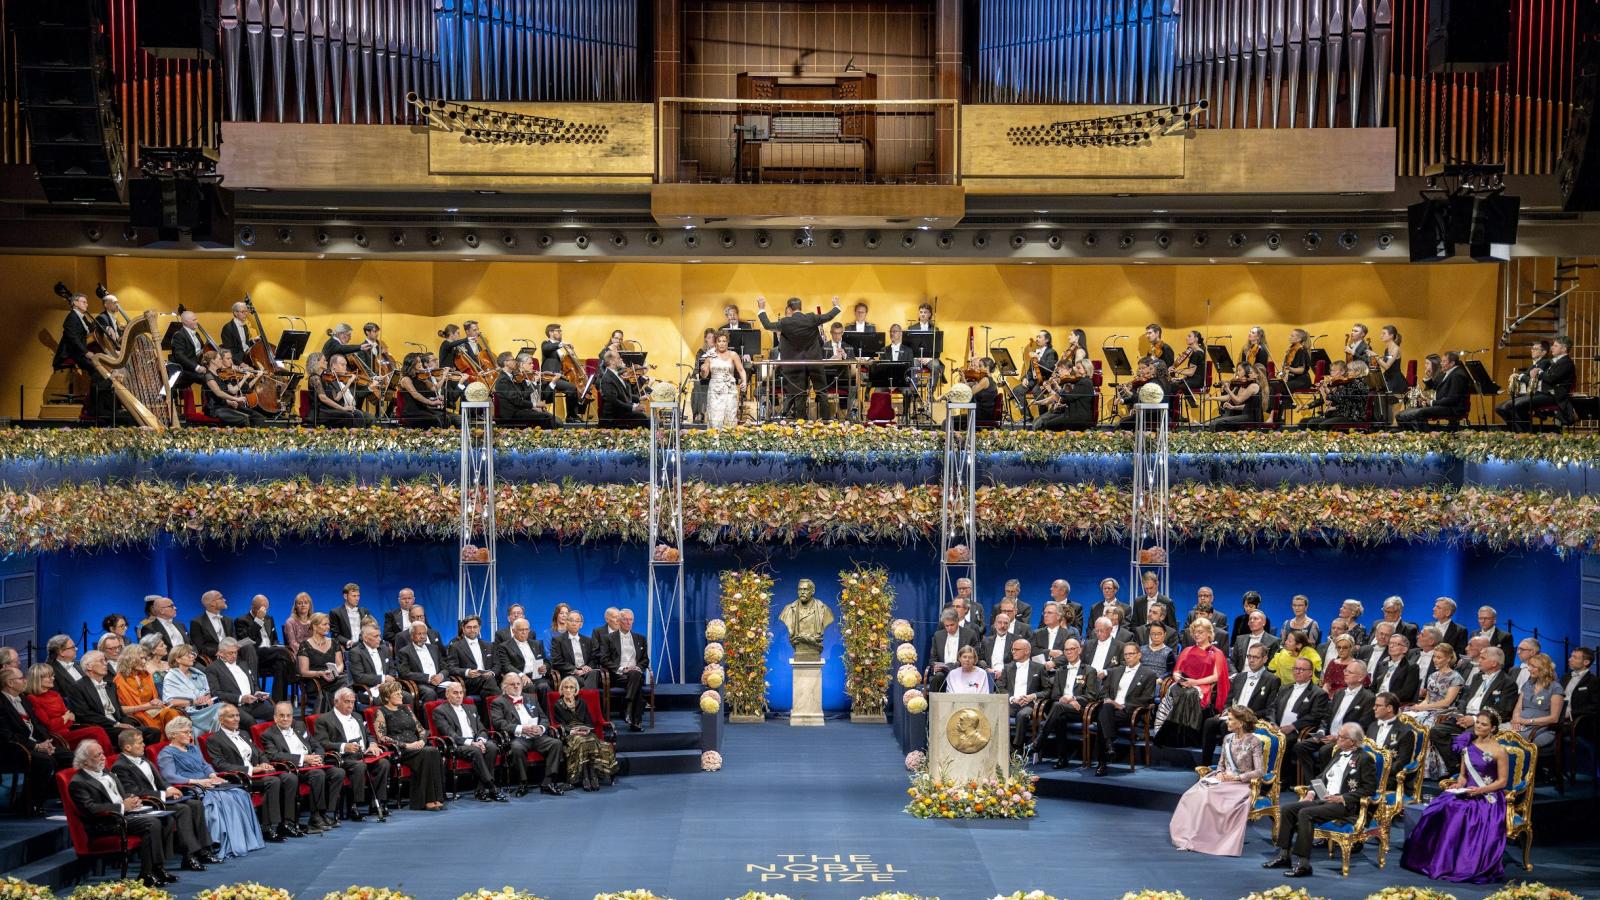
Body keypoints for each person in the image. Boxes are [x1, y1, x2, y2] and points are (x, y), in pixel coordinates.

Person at [1400, 709, 1511, 883]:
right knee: (1438, 807)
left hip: (1488, 796)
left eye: (1484, 724)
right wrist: (1459, 784)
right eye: (1478, 722)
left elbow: (1503, 782)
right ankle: (1435, 859)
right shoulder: (1467, 745)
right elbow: (1463, 775)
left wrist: (1480, 790)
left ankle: (1460, 864)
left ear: (1493, 728)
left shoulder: (1500, 751)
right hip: (1467, 790)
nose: (1479, 726)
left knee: (1461, 810)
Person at [1264, 723, 1377, 878]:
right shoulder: (1337, 753)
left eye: (1342, 737)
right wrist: (1310, 793)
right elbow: (1321, 777)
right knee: (1287, 809)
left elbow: (1369, 789)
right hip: (1324, 798)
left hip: (1344, 805)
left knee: (1305, 813)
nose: (1337, 738)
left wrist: (1342, 797)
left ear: (1352, 741)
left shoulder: (1364, 759)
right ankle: (1284, 856)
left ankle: (1304, 864)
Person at [72, 739, 178, 887]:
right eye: (97, 755)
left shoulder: (106, 772)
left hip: (126, 814)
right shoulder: (78, 782)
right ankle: (146, 873)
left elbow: (120, 793)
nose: (103, 757)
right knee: (152, 823)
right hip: (108, 822)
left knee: (166, 819)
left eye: (102, 753)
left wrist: (132, 800)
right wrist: (123, 807)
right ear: (85, 762)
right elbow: (91, 809)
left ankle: (158, 868)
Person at [110, 728, 218, 872]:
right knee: (183, 809)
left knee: (196, 804)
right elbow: (134, 792)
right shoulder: (120, 766)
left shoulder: (144, 759)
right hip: (149, 804)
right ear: (128, 747)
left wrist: (169, 789)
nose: (144, 745)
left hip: (161, 798)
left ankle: (203, 849)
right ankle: (189, 856)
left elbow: (161, 781)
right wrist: (162, 794)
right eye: (140, 743)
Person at [157, 715, 266, 853]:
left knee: (240, 793)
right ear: (173, 734)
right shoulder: (166, 753)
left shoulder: (193, 748)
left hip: (208, 783)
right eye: (185, 732)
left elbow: (205, 765)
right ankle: (218, 843)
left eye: (190, 732)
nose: (189, 735)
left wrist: (214, 776)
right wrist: (198, 782)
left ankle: (243, 839)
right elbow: (169, 776)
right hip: (192, 787)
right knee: (223, 799)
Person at [1170, 705, 1266, 856]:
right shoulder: (1227, 738)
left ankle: (1207, 840)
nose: (1226, 723)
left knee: (1208, 796)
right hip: (1222, 779)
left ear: (1241, 723)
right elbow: (1221, 763)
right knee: (1191, 795)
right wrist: (1220, 773)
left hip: (1240, 784)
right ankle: (1190, 836)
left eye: (1230, 720)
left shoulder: (1254, 741)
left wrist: (1236, 777)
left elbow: (1260, 771)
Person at [205, 704, 303, 841]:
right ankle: (269, 827)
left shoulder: (244, 734)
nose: (236, 719)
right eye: (231, 716)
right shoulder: (214, 739)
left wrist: (265, 763)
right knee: (273, 781)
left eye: (237, 715)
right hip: (242, 777)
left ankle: (288, 823)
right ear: (221, 719)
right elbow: (220, 765)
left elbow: (259, 752)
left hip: (259, 772)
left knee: (290, 778)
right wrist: (251, 769)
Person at [257, 701, 341, 832]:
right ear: (275, 717)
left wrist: (318, 758)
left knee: (337, 772)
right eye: (281, 715)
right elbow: (274, 756)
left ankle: (325, 812)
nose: (285, 719)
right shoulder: (268, 735)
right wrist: (304, 759)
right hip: (294, 768)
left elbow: (317, 745)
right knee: (318, 774)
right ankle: (315, 817)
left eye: (288, 715)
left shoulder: (300, 726)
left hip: (312, 764)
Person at [757, 294, 842, 419]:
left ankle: (800, 425)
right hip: (814, 362)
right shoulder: (811, 318)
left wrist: (762, 308)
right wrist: (836, 306)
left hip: (796, 365)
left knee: (800, 394)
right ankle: (827, 423)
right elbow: (829, 316)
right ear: (800, 307)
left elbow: (767, 325)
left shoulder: (785, 322)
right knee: (822, 392)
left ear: (789, 309)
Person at [312, 687, 389, 821]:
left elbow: (369, 734)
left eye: (352, 702)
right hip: (342, 758)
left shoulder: (357, 716)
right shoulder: (324, 719)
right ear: (336, 702)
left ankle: (377, 803)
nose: (350, 705)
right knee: (359, 767)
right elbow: (322, 743)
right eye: (347, 701)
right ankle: (354, 805)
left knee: (383, 763)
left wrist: (372, 744)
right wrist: (343, 746)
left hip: (363, 754)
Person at [1, 665, 70, 815]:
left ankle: (52, 797)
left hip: (35, 745)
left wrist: (47, 743)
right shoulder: (1, 703)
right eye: (21, 678)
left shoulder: (23, 699)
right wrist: (36, 746)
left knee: (68, 756)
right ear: (10, 683)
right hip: (14, 748)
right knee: (45, 761)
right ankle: (28, 803)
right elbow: (7, 735)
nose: (25, 680)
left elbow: (38, 725)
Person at [1199, 643, 1279, 763]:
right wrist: (1227, 709)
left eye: (1255, 657)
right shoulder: (1239, 677)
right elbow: (1229, 700)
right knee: (1210, 722)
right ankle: (1205, 765)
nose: (1251, 660)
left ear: (1265, 659)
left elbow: (1270, 708)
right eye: (1249, 656)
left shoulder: (1272, 680)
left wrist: (1246, 715)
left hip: (1252, 717)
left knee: (1225, 725)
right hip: (1233, 714)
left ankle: (1230, 765)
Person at [372, 681, 446, 810]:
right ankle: (424, 801)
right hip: (400, 750)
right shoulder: (381, 712)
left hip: (416, 746)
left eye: (401, 693)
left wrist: (422, 741)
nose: (401, 696)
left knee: (433, 750)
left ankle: (436, 798)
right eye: (397, 694)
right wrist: (407, 745)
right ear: (387, 697)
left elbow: (421, 729)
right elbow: (382, 737)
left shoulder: (406, 708)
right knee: (428, 752)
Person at [489, 673, 566, 795]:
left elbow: (544, 718)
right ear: (504, 687)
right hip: (519, 737)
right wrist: (521, 729)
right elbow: (499, 723)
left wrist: (541, 728)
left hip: (537, 736)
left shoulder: (531, 698)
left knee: (556, 743)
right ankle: (523, 783)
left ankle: (548, 782)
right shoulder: (498, 702)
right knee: (516, 748)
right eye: (512, 684)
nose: (516, 686)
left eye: (518, 683)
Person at [431, 682, 506, 802]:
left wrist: (481, 740)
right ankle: (492, 787)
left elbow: (481, 728)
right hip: (458, 745)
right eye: (455, 693)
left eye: (461, 693)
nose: (459, 696)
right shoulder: (440, 711)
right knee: (476, 751)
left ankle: (480, 790)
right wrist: (471, 743)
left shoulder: (471, 708)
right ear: (447, 694)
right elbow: (450, 734)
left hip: (475, 742)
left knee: (491, 747)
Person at [1093, 643, 1158, 775]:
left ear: (1139, 655)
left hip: (1128, 711)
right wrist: (1110, 701)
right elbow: (1103, 692)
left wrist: (1123, 705)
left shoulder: (1149, 674)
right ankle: (1108, 747)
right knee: (1105, 709)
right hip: (1111, 709)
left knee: (1102, 717)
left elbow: (1147, 698)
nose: (1128, 657)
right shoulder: (1116, 671)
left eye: (1131, 654)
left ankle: (1103, 759)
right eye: (1126, 654)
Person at [1035, 638, 1102, 767]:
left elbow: (1091, 696)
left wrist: (1073, 699)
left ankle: (1039, 741)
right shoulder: (1061, 671)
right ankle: (1062, 758)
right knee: (1060, 716)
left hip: (1081, 709)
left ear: (1079, 650)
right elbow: (1055, 695)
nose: (1069, 652)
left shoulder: (1089, 670)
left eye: (1072, 649)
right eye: (1066, 649)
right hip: (1062, 708)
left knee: (1058, 708)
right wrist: (1065, 700)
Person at [552, 675, 618, 791]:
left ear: (576, 690)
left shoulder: (582, 702)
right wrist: (573, 731)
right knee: (582, 741)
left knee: (591, 739)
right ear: (561, 689)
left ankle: (591, 774)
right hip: (570, 734)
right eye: (565, 687)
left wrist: (586, 729)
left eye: (571, 687)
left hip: (585, 732)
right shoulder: (558, 704)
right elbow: (560, 724)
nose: (568, 690)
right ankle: (586, 777)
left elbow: (589, 722)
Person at [205, 638, 273, 726]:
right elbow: (216, 693)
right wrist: (241, 698)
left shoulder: (243, 664)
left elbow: (254, 683)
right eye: (230, 653)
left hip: (253, 703)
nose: (234, 656)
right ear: (221, 653)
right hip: (234, 706)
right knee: (250, 721)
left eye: (235, 652)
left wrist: (258, 693)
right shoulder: (213, 668)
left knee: (276, 713)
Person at [602, 609, 649, 732]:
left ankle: (629, 705)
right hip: (618, 676)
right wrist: (623, 669)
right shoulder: (608, 638)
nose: (628, 622)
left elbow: (645, 660)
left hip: (635, 674)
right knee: (636, 684)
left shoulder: (640, 638)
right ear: (619, 621)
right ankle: (636, 722)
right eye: (625, 619)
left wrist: (637, 667)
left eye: (631, 619)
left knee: (635, 674)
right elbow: (604, 660)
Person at [1396, 350, 1469, 429]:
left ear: (1452, 363)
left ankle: (1423, 435)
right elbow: (1434, 387)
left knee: (1417, 413)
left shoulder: (1457, 375)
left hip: (1452, 408)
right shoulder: (1447, 372)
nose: (1441, 364)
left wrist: (1431, 402)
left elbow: (1452, 399)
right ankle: (1409, 434)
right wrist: (1428, 377)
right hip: (1443, 405)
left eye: (1444, 361)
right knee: (1400, 415)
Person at [115, 645, 178, 733]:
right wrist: (145, 706)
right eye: (141, 658)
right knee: (171, 715)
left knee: (175, 714)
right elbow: (119, 709)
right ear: (129, 659)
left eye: (145, 658)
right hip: (135, 715)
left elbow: (154, 698)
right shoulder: (119, 680)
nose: (144, 662)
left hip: (153, 710)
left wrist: (156, 701)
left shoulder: (146, 675)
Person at [161, 645, 221, 733]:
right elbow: (170, 702)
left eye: (192, 654)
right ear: (178, 659)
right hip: (191, 712)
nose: (192, 656)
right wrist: (194, 702)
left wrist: (207, 697)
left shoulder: (198, 673)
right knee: (222, 708)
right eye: (188, 655)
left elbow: (208, 691)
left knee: (225, 708)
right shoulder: (171, 677)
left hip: (207, 706)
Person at [295, 612, 347, 712]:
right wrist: (321, 673)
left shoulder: (334, 642)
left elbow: (340, 664)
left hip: (335, 678)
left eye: (328, 624)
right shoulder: (305, 645)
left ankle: (338, 712)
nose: (328, 627)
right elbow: (303, 671)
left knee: (346, 679)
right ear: (314, 626)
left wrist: (335, 672)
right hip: (316, 681)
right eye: (324, 624)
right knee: (346, 683)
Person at [999, 638, 1045, 751]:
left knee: (1022, 715)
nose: (1013, 652)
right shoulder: (1007, 667)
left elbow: (1047, 690)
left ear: (1027, 651)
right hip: (1011, 703)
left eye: (1016, 649)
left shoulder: (1039, 668)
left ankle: (1017, 747)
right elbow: (1000, 687)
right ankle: (1007, 749)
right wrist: (1012, 698)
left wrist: (1031, 696)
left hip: (1029, 704)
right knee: (998, 713)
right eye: (1012, 649)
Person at [1511, 652, 1564, 750]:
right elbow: (1518, 707)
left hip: (1541, 729)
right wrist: (1515, 720)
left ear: (1544, 669)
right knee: (1497, 733)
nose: (1529, 669)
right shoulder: (1528, 684)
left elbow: (1554, 718)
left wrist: (1526, 721)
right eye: (1529, 665)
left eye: (1533, 666)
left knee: (1514, 740)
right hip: (1520, 725)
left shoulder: (1555, 688)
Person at [700, 330, 747, 429]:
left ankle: (729, 441)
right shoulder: (710, 355)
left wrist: (744, 381)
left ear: (727, 342)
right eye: (719, 341)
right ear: (716, 342)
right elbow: (705, 375)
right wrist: (703, 370)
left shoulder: (733, 354)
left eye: (724, 341)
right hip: (715, 390)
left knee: (730, 414)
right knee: (715, 415)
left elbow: (741, 370)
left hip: (729, 388)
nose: (721, 343)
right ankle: (715, 440)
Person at [596, 349, 648, 427]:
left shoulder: (616, 375)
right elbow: (614, 401)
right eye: (618, 358)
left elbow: (623, 394)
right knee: (643, 417)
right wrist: (633, 408)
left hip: (620, 412)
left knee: (648, 417)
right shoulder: (607, 379)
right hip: (613, 416)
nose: (621, 359)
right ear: (611, 362)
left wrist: (639, 398)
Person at [552, 611, 603, 691]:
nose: (574, 623)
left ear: (581, 624)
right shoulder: (558, 640)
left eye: (577, 621)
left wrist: (588, 667)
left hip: (586, 672)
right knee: (583, 681)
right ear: (566, 622)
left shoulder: (588, 640)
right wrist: (575, 670)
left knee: (594, 673)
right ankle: (587, 701)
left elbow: (593, 658)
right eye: (571, 620)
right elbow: (557, 661)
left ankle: (583, 700)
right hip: (569, 674)